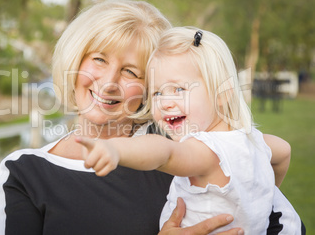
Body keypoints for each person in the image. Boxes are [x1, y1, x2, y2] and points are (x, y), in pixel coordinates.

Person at [0, 1, 303, 234]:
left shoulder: (187, 146)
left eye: (130, 71)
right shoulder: (24, 173)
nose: (110, 82)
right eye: (99, 59)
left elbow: (279, 221)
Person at [77, 27, 304, 234]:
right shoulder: (253, 140)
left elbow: (165, 151)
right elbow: (284, 152)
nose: (165, 102)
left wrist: (116, 150)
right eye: (156, 93)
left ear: (223, 93)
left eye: (178, 88)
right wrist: (262, 195)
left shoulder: (206, 151)